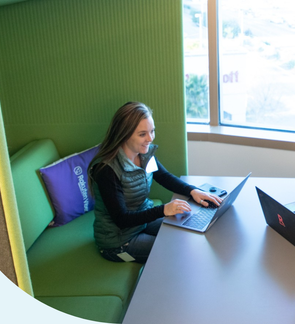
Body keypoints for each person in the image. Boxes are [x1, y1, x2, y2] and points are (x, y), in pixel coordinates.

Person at [88, 102, 222, 263]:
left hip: (141, 223)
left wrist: (193, 191)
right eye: (142, 134)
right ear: (124, 133)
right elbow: (121, 219)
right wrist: (164, 210)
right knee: (177, 251)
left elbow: (164, 177)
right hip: (118, 241)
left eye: (152, 131)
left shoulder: (144, 154)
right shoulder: (106, 170)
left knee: (187, 234)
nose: (150, 138)